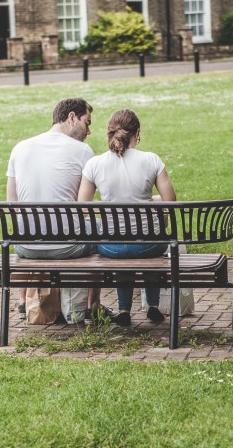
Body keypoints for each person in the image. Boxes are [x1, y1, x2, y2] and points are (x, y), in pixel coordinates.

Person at [6, 97, 108, 322]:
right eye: (87, 122)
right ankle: (92, 305)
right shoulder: (83, 151)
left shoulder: (20, 148)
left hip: (26, 247)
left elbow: (12, 204)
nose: (88, 131)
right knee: (100, 230)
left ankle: (24, 302)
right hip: (67, 246)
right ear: (72, 117)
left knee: (26, 225)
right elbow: (86, 209)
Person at [77, 109, 177, 326]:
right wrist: (151, 201)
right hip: (150, 246)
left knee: (122, 251)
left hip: (111, 247)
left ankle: (124, 309)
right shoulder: (151, 160)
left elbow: (83, 207)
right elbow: (170, 201)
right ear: (136, 133)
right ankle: (152, 306)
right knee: (151, 243)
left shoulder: (95, 164)